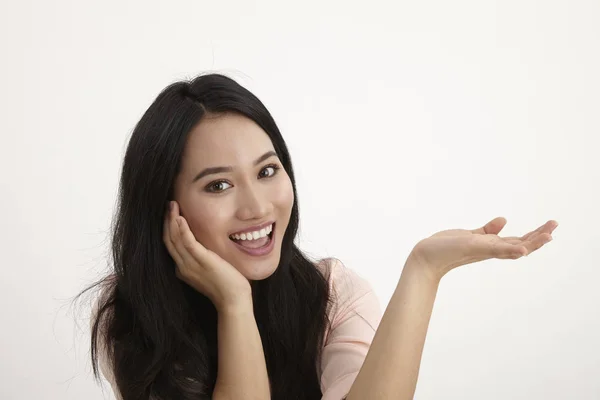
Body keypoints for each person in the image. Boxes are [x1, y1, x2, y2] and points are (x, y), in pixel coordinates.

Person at [85, 73, 557, 400]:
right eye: (219, 185)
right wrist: (235, 305)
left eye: (268, 171)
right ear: (166, 207)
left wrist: (424, 269)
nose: (257, 207)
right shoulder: (132, 315)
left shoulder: (334, 295)